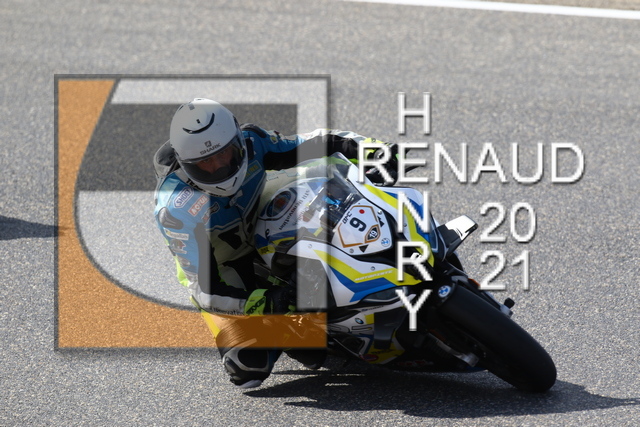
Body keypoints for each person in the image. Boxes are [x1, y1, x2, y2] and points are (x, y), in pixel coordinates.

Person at [153, 98, 398, 388]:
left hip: (262, 216)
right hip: (222, 262)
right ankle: (298, 329)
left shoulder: (253, 142)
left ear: (238, 142)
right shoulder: (175, 208)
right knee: (247, 369)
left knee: (328, 166)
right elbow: (206, 291)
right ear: (186, 165)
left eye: (225, 154)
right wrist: (269, 302)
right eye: (205, 163)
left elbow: (318, 142)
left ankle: (388, 239)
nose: (219, 167)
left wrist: (374, 151)